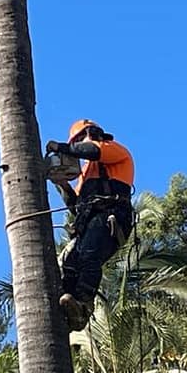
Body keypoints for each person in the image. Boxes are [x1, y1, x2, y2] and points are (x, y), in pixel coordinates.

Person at [45, 119, 135, 331]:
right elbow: (76, 206)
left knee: (88, 255)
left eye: (79, 140)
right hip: (91, 222)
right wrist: (62, 183)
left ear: (93, 133)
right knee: (70, 261)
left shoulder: (114, 151)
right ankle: (69, 307)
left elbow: (92, 151)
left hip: (112, 216)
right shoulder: (86, 175)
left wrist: (60, 148)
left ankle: (84, 303)